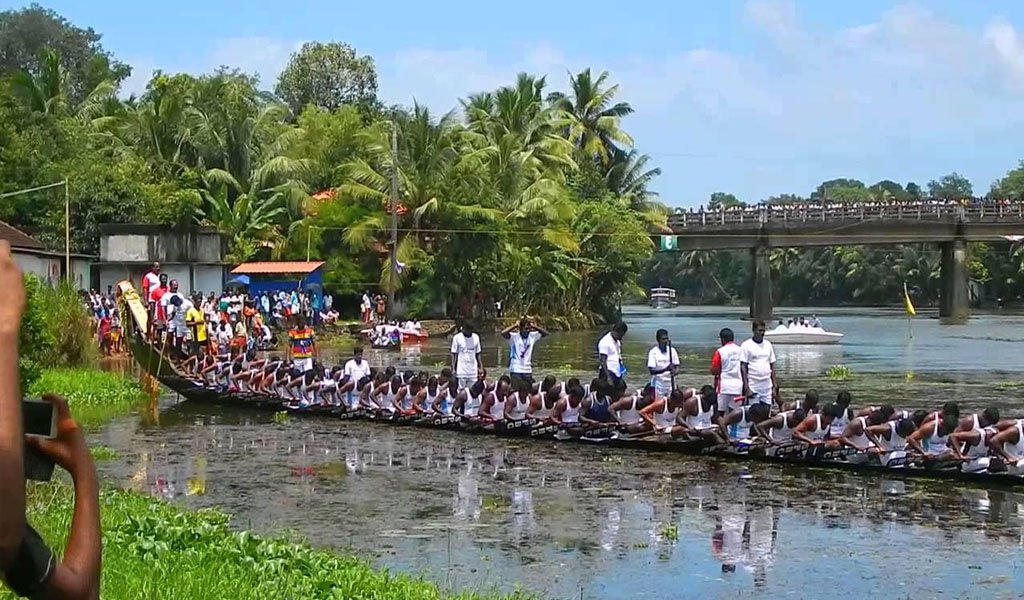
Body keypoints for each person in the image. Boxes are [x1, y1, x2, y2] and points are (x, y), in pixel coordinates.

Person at [740, 320, 778, 409]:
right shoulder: (746, 345)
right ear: (753, 330)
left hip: (766, 384)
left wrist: (774, 385)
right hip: (753, 384)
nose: (762, 333)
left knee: (767, 410)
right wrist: (746, 387)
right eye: (760, 330)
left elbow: (772, 366)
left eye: (763, 331)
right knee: (753, 411)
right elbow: (743, 367)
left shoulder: (768, 345)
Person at [502, 317, 548, 389]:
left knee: (527, 391)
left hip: (527, 369)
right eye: (525, 329)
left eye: (529, 329)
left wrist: (533, 326)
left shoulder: (532, 336)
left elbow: (546, 333)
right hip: (516, 369)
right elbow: (503, 333)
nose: (528, 331)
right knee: (516, 391)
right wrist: (515, 325)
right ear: (520, 328)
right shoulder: (514, 337)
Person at [710, 328, 743, 415]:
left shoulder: (720, 351)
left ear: (723, 339)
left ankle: (722, 427)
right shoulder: (741, 350)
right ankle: (734, 428)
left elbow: (714, 370)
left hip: (724, 386)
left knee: (720, 412)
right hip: (738, 386)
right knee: (736, 413)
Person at [647, 329, 679, 401]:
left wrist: (675, 372)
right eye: (663, 339)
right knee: (659, 405)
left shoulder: (672, 351)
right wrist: (665, 369)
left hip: (671, 383)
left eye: (666, 339)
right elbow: (652, 371)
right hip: (658, 383)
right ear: (658, 340)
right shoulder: (653, 352)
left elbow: (677, 367)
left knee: (672, 404)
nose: (665, 341)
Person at [450, 322, 482, 392]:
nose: (468, 332)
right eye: (467, 330)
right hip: (461, 370)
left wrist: (481, 367)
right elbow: (453, 354)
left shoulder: (476, 337)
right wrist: (453, 369)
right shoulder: (457, 337)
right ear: (463, 329)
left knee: (472, 390)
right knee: (461, 391)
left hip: (473, 370)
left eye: (470, 330)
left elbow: (478, 353)